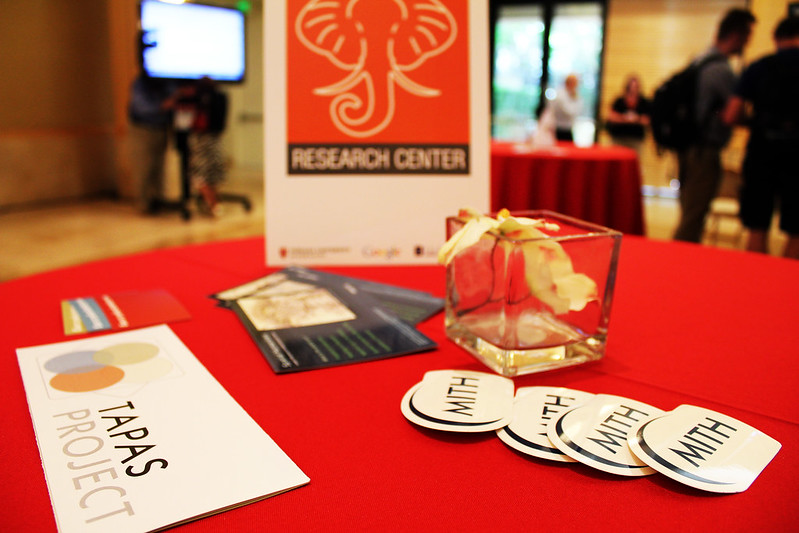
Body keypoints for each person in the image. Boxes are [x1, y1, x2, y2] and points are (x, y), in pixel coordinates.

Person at [672, 8, 756, 243]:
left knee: (688, 211)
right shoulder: (721, 70)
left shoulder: (699, 60)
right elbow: (731, 114)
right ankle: (682, 265)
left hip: (687, 147)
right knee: (694, 216)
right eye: (748, 37)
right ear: (737, 35)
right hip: (704, 150)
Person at [722, 16, 799, 259]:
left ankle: (759, 283)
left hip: (762, 151)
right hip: (798, 156)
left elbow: (731, 114)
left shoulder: (759, 67)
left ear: (776, 38)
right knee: (797, 229)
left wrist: (753, 122)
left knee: (757, 225)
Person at [172, 77, 229, 216]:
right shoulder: (220, 97)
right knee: (211, 175)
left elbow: (185, 122)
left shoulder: (196, 100)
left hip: (201, 140)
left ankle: (214, 206)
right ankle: (214, 204)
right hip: (214, 140)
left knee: (199, 177)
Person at [127, 72, 177, 214]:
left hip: (162, 128)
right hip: (143, 128)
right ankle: (144, 203)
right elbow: (142, 107)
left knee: (159, 165)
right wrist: (164, 105)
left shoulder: (168, 80)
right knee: (144, 166)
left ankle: (158, 199)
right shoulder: (141, 83)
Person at [605, 75, 650, 154]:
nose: (633, 89)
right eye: (631, 86)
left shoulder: (644, 102)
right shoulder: (619, 101)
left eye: (636, 86)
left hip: (636, 139)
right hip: (619, 138)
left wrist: (636, 119)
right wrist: (625, 118)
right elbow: (611, 117)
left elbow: (647, 120)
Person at [550, 74, 583, 142]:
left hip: (568, 128)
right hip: (560, 129)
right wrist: (574, 99)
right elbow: (569, 112)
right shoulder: (561, 95)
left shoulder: (573, 95)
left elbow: (579, 110)